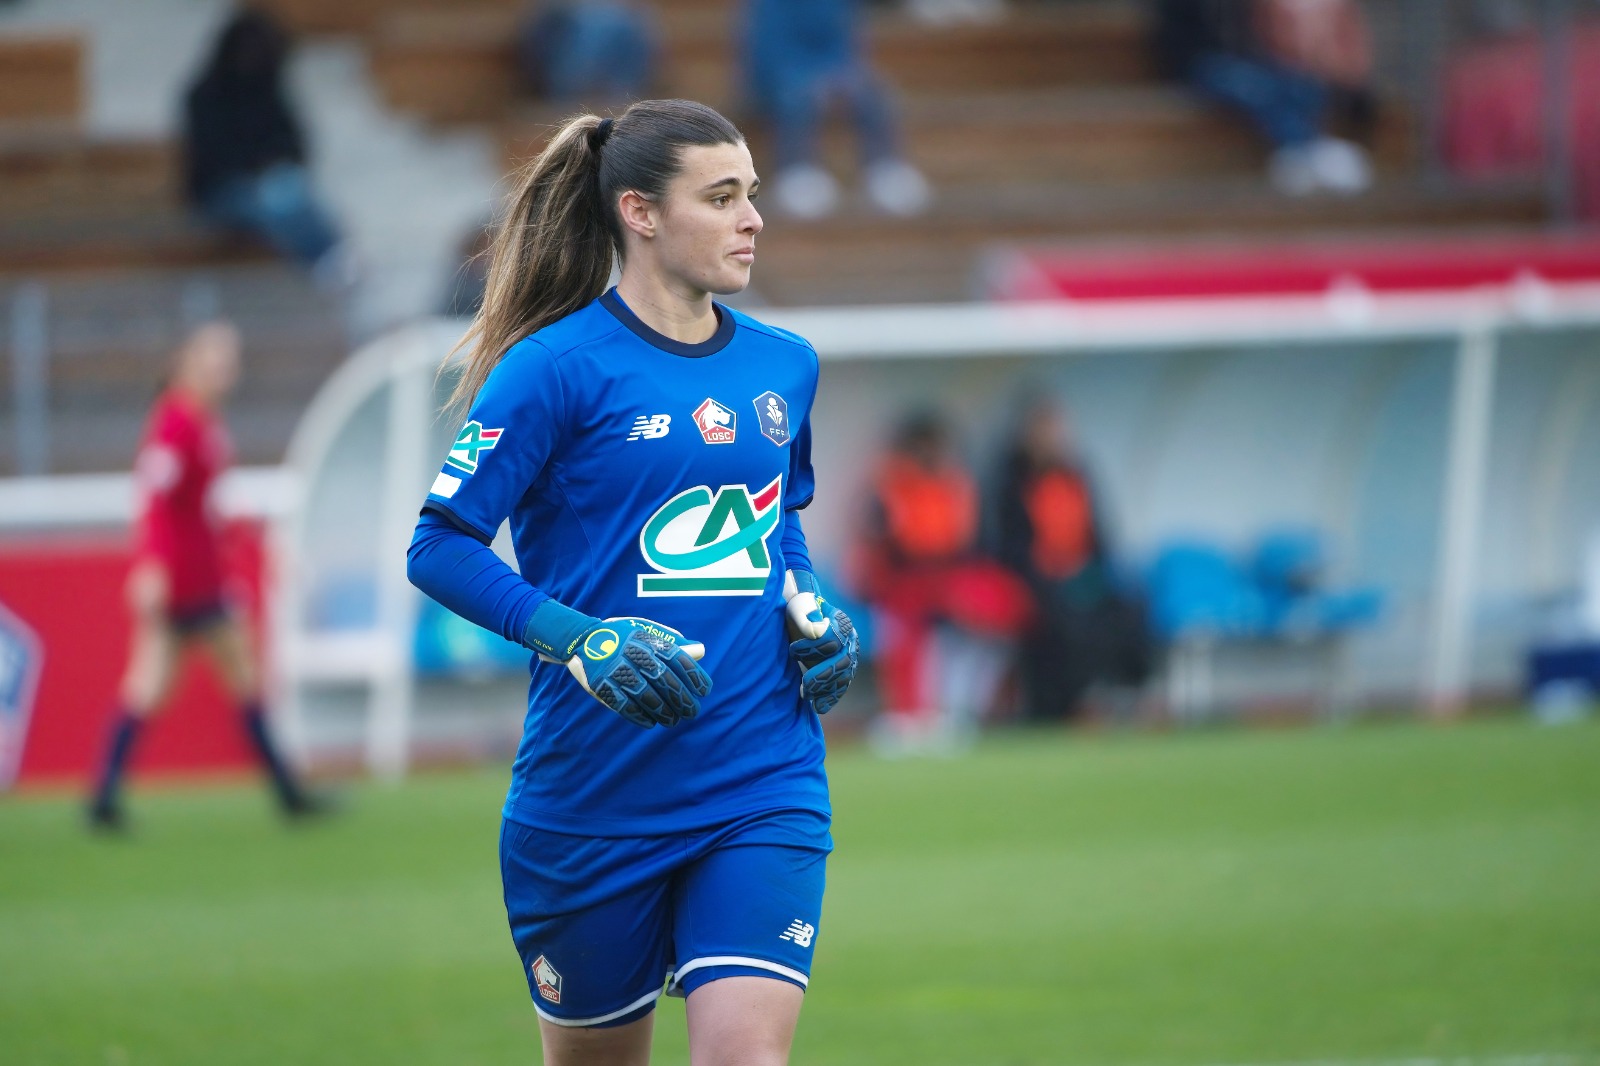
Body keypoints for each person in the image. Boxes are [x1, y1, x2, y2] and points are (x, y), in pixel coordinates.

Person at [405, 100, 860, 1063]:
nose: (753, 219)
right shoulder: (552, 370)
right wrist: (577, 637)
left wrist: (810, 605)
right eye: (723, 196)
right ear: (640, 213)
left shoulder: (785, 366)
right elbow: (439, 545)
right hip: (591, 804)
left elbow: (776, 523)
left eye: (754, 196)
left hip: (761, 778)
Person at [87, 322, 324, 831]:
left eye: (230, 362)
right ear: (187, 364)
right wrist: (150, 565)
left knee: (161, 683)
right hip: (184, 580)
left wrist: (250, 546)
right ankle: (288, 794)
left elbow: (207, 506)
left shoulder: (199, 420)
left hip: (199, 575)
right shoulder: (176, 422)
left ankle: (104, 797)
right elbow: (154, 501)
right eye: (217, 362)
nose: (226, 372)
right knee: (189, 679)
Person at [853, 410, 1028, 751]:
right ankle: (910, 716)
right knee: (904, 622)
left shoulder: (954, 484)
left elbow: (963, 541)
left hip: (947, 580)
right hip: (900, 584)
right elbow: (890, 549)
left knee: (997, 610)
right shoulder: (890, 486)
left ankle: (957, 710)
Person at [993, 397, 1151, 722]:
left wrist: (1090, 567)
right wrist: (1047, 570)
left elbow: (1099, 534)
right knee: (1061, 620)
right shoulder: (1012, 480)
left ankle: (1125, 694)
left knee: (1129, 609)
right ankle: (1066, 706)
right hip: (1038, 578)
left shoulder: (1077, 474)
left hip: (1082, 571)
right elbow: (1010, 544)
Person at [182, 6, 354, 286]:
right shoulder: (205, 97)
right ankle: (321, 265)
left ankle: (333, 259)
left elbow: (295, 144)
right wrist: (257, 169)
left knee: (293, 193)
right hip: (220, 193)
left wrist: (275, 167)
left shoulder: (269, 93)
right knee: (275, 202)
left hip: (272, 182)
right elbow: (211, 159)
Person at [1150, 0, 1373, 196]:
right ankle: (1306, 152)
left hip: (1245, 60)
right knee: (1254, 88)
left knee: (1300, 86)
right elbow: (1182, 42)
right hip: (1200, 64)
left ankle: (1304, 152)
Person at [742, 0, 932, 219]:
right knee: (796, 99)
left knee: (870, 92)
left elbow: (845, 47)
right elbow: (766, 52)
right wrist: (809, 80)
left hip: (828, 71)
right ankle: (797, 173)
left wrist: (838, 77)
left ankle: (884, 170)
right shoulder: (769, 6)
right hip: (778, 78)